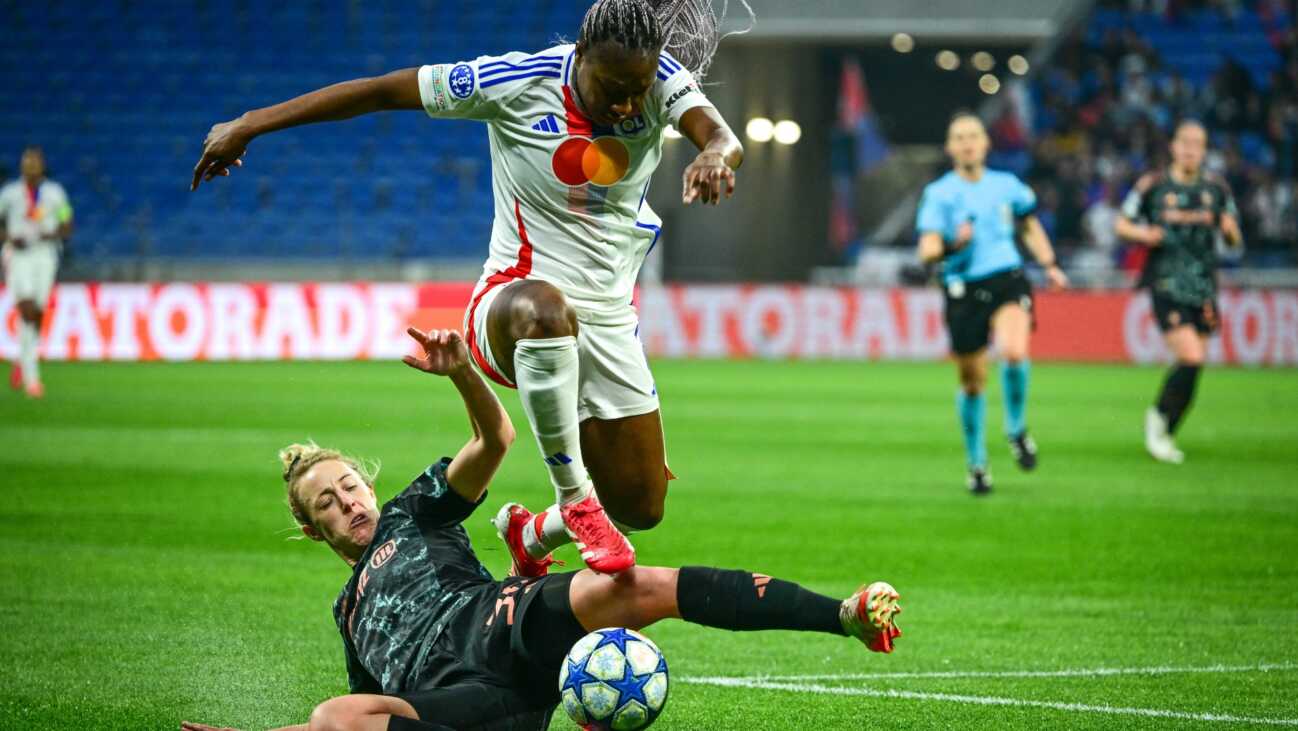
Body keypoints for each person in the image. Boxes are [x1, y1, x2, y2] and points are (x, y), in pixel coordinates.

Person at [190, 0, 747, 576]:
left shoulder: (656, 81)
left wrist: (712, 155)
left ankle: (533, 534)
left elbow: (721, 136)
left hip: (607, 317)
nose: (628, 104)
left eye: (636, 90)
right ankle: (574, 499)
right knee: (545, 311)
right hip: (511, 302)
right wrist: (251, 123)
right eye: (613, 88)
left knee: (640, 507)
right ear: (580, 57)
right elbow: (384, 91)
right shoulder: (513, 81)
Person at [180, 326, 902, 731]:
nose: (348, 502)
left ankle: (841, 613)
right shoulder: (348, 614)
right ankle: (537, 542)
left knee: (623, 584)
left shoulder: (412, 510)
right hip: (455, 701)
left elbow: (494, 439)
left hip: (499, 621)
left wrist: (463, 373)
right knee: (337, 715)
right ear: (314, 531)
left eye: (348, 486)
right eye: (328, 504)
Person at [916, 113, 1068, 495]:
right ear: (950, 148)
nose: (967, 143)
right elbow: (927, 251)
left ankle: (1015, 429)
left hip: (1007, 277)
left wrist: (1049, 264)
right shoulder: (940, 194)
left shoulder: (1007, 186)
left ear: (985, 144)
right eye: (959, 137)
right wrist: (954, 245)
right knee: (972, 382)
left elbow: (1029, 225)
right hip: (963, 288)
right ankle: (977, 463)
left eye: (973, 136)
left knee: (1014, 353)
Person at [1115, 120, 1242, 464]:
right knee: (1191, 356)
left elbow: (1234, 240)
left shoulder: (1217, 189)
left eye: (1197, 144)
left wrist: (1230, 233)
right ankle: (1157, 420)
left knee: (1195, 364)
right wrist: (1144, 236)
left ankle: (1167, 428)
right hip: (1165, 281)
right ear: (1173, 146)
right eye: (1184, 142)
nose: (1190, 149)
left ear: (1204, 150)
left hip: (1203, 286)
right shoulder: (1153, 185)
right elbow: (1121, 223)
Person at [1, 146, 73, 399]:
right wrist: (8, 237)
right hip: (18, 255)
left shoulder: (54, 193)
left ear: (42, 165)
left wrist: (51, 233)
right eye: (26, 161)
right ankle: (32, 378)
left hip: (45, 254)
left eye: (34, 161)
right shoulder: (9, 194)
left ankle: (21, 359)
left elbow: (66, 222)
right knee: (28, 309)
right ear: (21, 165)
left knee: (37, 313)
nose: (30, 165)